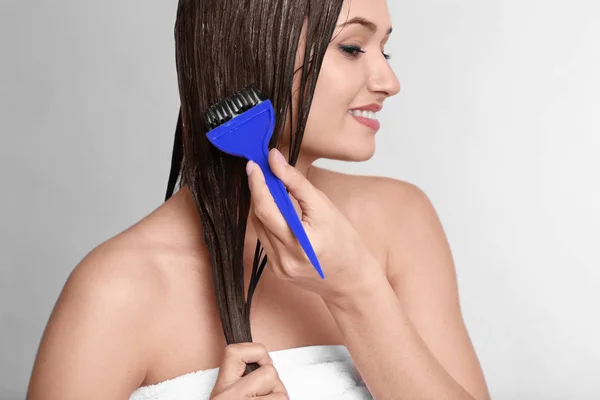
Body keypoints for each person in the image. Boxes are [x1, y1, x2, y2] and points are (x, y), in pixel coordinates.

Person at [27, 0, 491, 399]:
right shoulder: (116, 290)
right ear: (247, 52)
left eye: (384, 49)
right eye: (352, 48)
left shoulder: (400, 222)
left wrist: (357, 290)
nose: (390, 81)